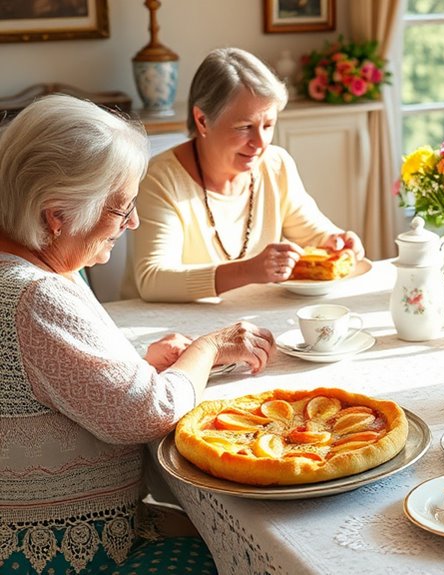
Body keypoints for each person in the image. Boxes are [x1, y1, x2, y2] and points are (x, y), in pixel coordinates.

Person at [0, 94, 276, 573]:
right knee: (250, 554)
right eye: (120, 208)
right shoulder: (34, 295)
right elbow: (148, 413)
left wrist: (137, 367)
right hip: (62, 550)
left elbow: (46, 384)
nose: (133, 222)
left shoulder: (19, 266)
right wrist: (208, 348)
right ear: (56, 214)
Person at [125, 47, 365, 302]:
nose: (260, 142)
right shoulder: (160, 178)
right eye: (245, 127)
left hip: (251, 320)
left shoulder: (276, 164)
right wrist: (248, 270)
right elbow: (152, 280)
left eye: (268, 125)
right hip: (164, 329)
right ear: (202, 121)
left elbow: (313, 232)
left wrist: (336, 241)